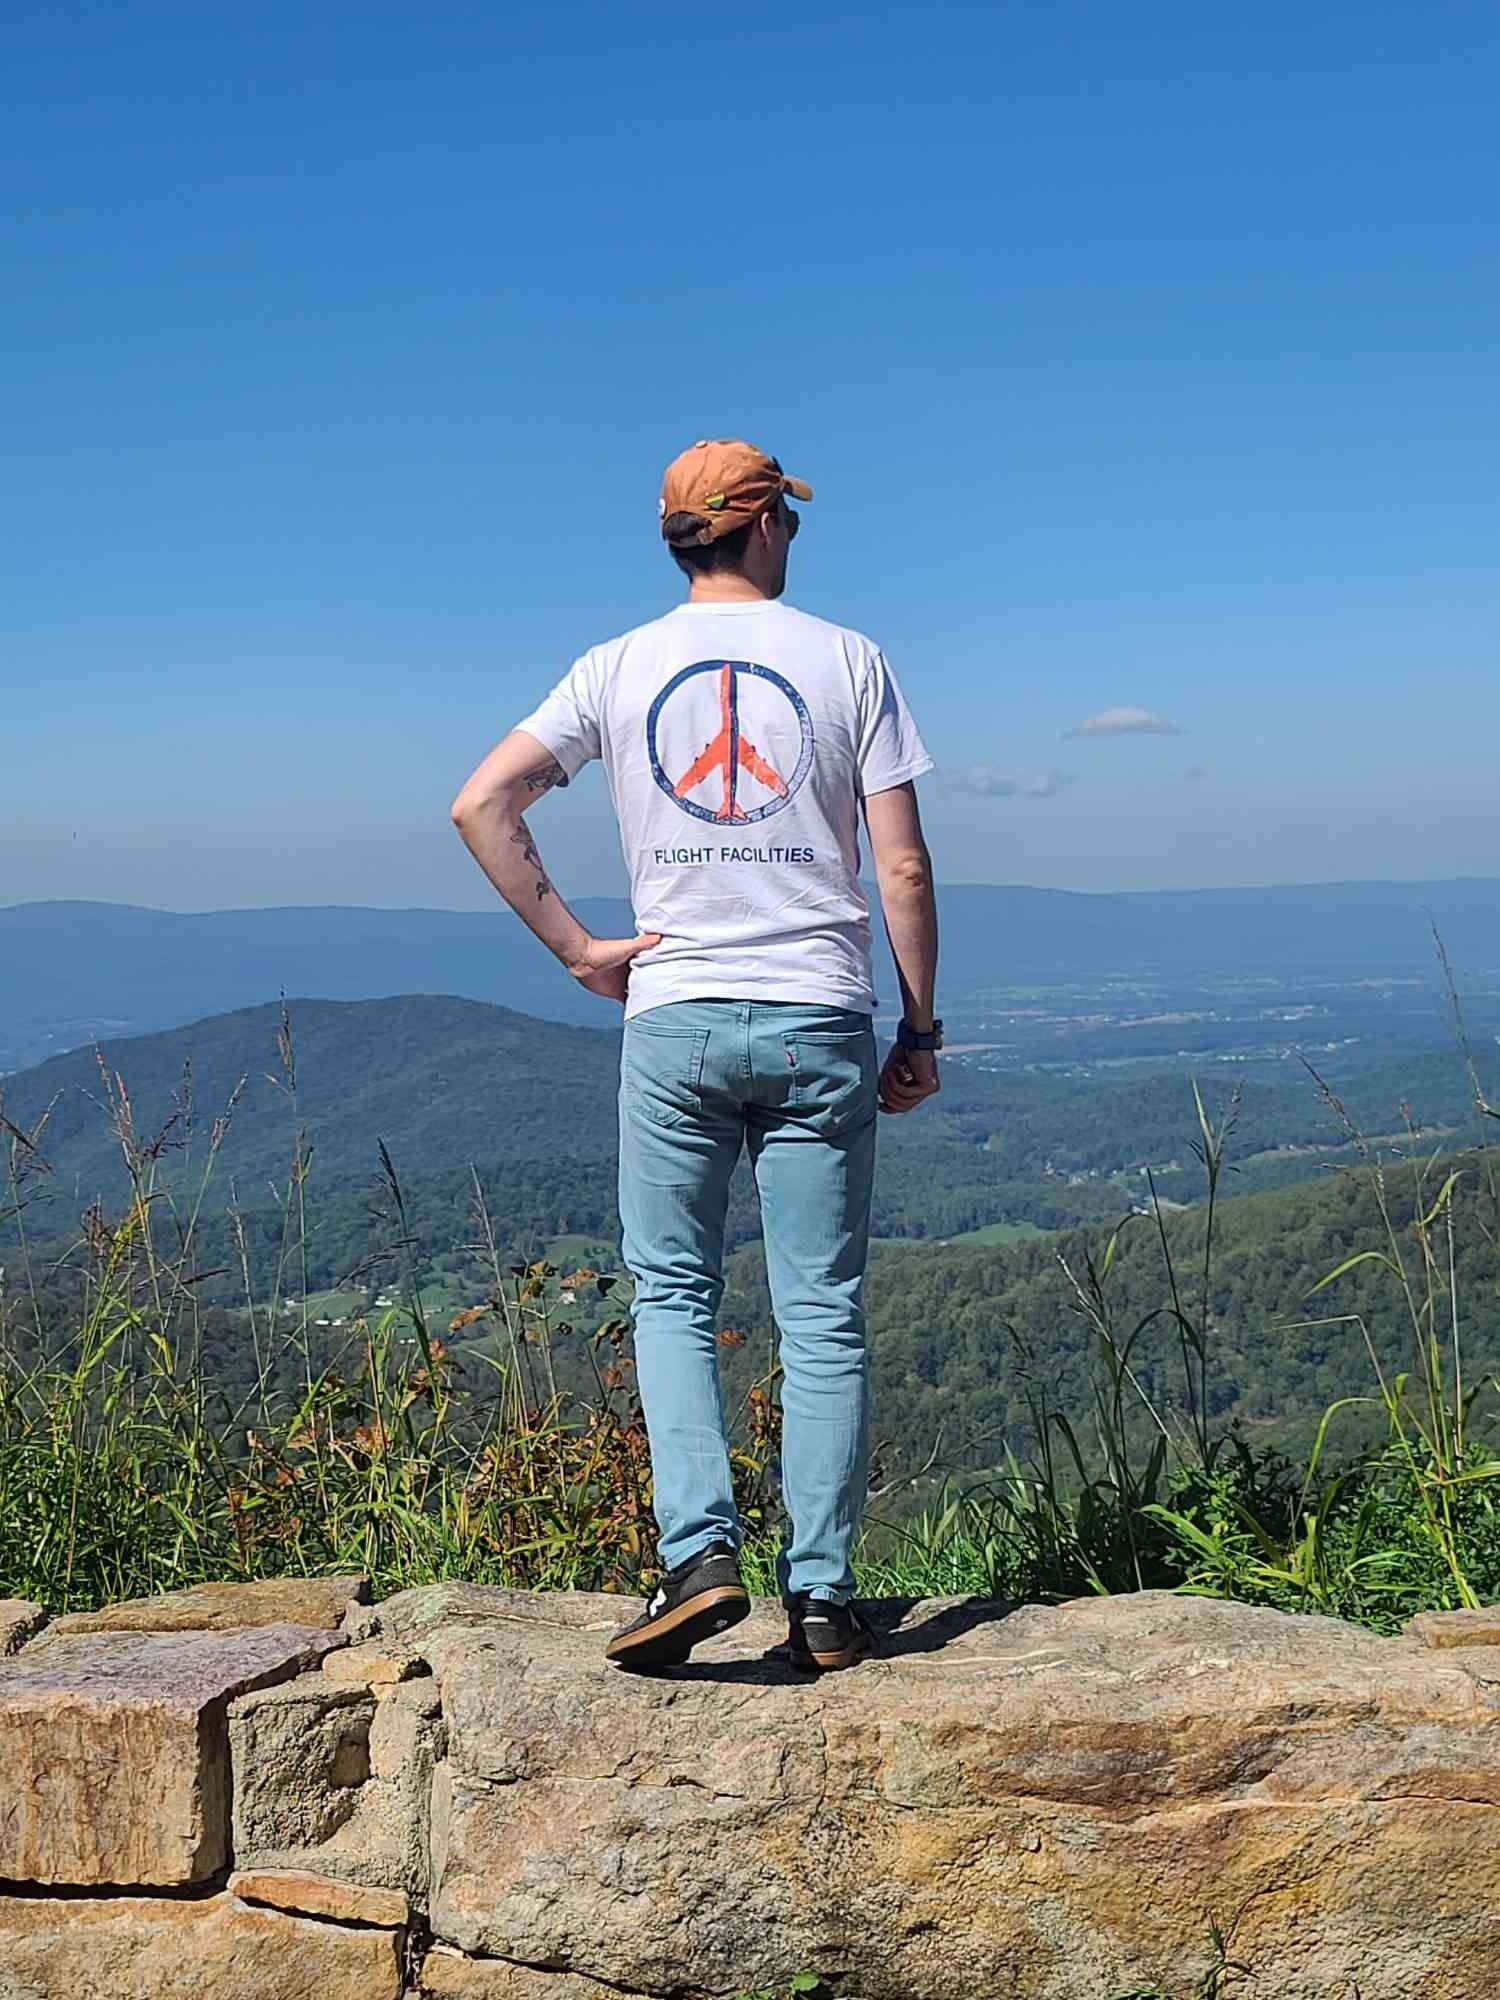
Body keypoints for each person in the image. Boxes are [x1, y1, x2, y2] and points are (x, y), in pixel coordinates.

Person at [451, 438, 941, 1672]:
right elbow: (904, 867)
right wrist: (919, 1024)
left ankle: (698, 1556)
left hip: (671, 1008)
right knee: (820, 1312)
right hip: (820, 1009)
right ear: (766, 524)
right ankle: (822, 1598)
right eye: (792, 520)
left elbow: (481, 804)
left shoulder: (615, 669)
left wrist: (580, 949)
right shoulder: (850, 659)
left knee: (673, 1293)